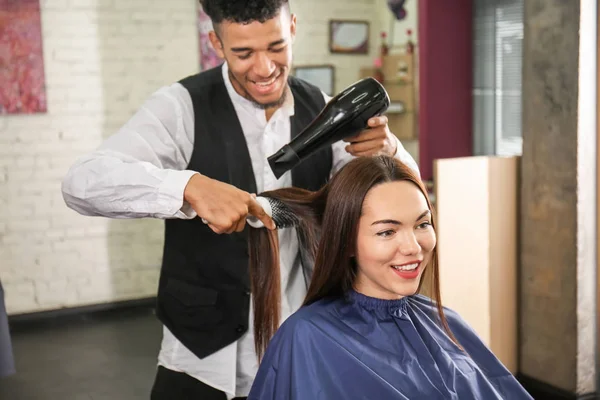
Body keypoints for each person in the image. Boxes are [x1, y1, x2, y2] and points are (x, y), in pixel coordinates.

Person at [60, 0, 418, 398]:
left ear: (294, 27)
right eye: (244, 53)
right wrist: (188, 186)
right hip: (201, 360)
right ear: (216, 41)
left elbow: (408, 204)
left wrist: (388, 150)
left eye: (276, 47)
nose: (264, 68)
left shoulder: (322, 107)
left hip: (303, 345)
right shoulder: (180, 108)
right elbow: (81, 183)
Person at [246, 155, 533, 400]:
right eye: (387, 231)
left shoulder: (446, 321)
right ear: (345, 242)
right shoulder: (308, 336)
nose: (413, 247)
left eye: (422, 224)